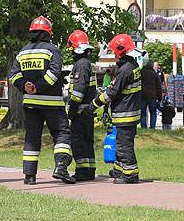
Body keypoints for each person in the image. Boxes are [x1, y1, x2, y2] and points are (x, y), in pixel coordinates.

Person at [9, 16, 75, 185]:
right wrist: (38, 86)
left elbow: (13, 76)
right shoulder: (53, 50)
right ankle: (61, 167)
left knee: (32, 137)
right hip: (51, 102)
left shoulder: (23, 52)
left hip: (30, 102)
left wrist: (26, 86)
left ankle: (29, 176)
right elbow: (54, 73)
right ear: (48, 33)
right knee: (62, 133)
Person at [85, 34, 142, 184]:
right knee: (120, 143)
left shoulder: (125, 70)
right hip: (130, 112)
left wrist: (94, 104)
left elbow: (112, 93)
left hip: (125, 113)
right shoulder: (133, 66)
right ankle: (119, 170)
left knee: (125, 145)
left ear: (121, 50)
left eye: (115, 51)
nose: (115, 54)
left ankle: (130, 174)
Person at [66, 30, 97, 181]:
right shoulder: (86, 63)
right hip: (87, 111)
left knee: (78, 141)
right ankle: (89, 170)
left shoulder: (81, 64)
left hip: (80, 111)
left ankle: (83, 172)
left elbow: (79, 90)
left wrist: (71, 108)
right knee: (87, 141)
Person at [141, 59, 162, 129]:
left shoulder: (141, 72)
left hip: (142, 96)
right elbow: (159, 87)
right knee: (153, 113)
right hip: (152, 96)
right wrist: (160, 99)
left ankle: (143, 127)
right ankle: (152, 127)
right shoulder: (155, 74)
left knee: (143, 113)